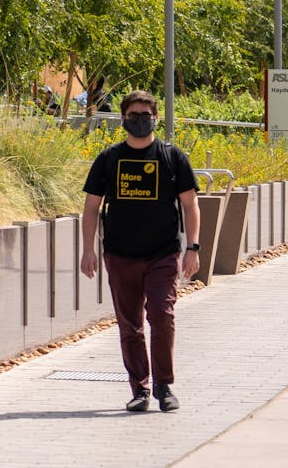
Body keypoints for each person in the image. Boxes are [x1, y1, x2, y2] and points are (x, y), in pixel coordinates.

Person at [80, 90, 201, 412]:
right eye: (133, 115)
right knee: (129, 325)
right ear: (122, 119)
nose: (139, 120)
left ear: (156, 118)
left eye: (145, 115)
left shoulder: (172, 156)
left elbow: (190, 204)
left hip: (163, 253)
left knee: (162, 315)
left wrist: (193, 247)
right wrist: (87, 250)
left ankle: (164, 386)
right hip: (120, 254)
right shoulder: (109, 158)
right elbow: (91, 207)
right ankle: (140, 389)